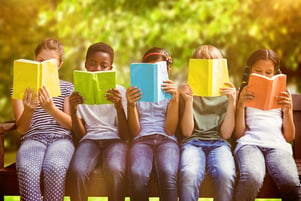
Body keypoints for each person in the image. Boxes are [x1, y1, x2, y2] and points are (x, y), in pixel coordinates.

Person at [233, 48, 301, 201]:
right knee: (252, 177)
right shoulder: (243, 93)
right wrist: (240, 106)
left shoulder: (284, 94)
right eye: (258, 71)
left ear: (275, 73)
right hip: (250, 144)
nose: (263, 76)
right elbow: (239, 133)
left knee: (290, 182)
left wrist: (288, 110)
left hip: (277, 146)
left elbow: (289, 136)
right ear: (249, 70)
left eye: (268, 72)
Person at [12, 38, 74, 201]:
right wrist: (29, 110)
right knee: (27, 169)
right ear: (34, 59)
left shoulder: (67, 88)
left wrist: (51, 109)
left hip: (61, 139)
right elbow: (21, 129)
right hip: (32, 138)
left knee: (55, 167)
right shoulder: (19, 89)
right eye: (40, 61)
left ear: (59, 65)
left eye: (50, 63)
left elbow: (70, 124)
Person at [68, 42, 129, 201]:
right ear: (86, 65)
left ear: (110, 68)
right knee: (78, 171)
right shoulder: (77, 93)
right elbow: (81, 135)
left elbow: (124, 135)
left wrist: (119, 107)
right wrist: (74, 111)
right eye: (93, 64)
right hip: (90, 140)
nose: (98, 69)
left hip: (116, 140)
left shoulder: (120, 92)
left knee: (115, 169)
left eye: (104, 65)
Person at [178, 45, 236, 201]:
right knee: (189, 174)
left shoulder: (227, 93)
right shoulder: (187, 92)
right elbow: (186, 132)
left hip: (219, 143)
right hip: (192, 143)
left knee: (226, 174)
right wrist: (189, 102)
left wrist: (232, 102)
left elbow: (226, 134)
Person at [126, 47, 179, 201]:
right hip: (141, 140)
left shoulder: (172, 93)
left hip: (166, 140)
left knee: (168, 171)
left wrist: (175, 99)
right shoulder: (136, 92)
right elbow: (135, 132)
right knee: (138, 173)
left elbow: (170, 130)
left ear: (168, 69)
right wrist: (131, 105)